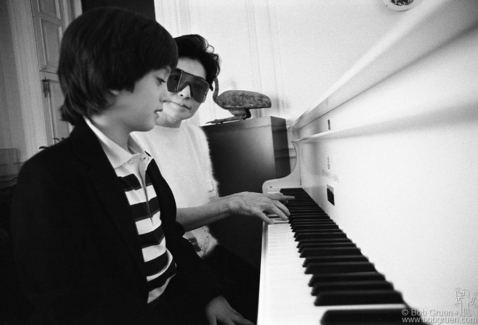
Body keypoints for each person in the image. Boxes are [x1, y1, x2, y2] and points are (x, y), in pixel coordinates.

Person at [11, 8, 253, 325]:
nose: (171, 92)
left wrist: (210, 295)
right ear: (115, 80)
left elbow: (170, 236)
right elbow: (71, 301)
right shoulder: (49, 176)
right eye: (160, 79)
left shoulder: (139, 160)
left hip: (176, 296)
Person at [132, 34, 293, 322]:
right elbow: (156, 223)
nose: (184, 94)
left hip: (209, 254)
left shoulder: (195, 135)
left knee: (276, 295)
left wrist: (251, 200)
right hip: (171, 268)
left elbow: (205, 202)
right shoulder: (132, 140)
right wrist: (233, 203)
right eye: (175, 79)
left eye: (198, 87)